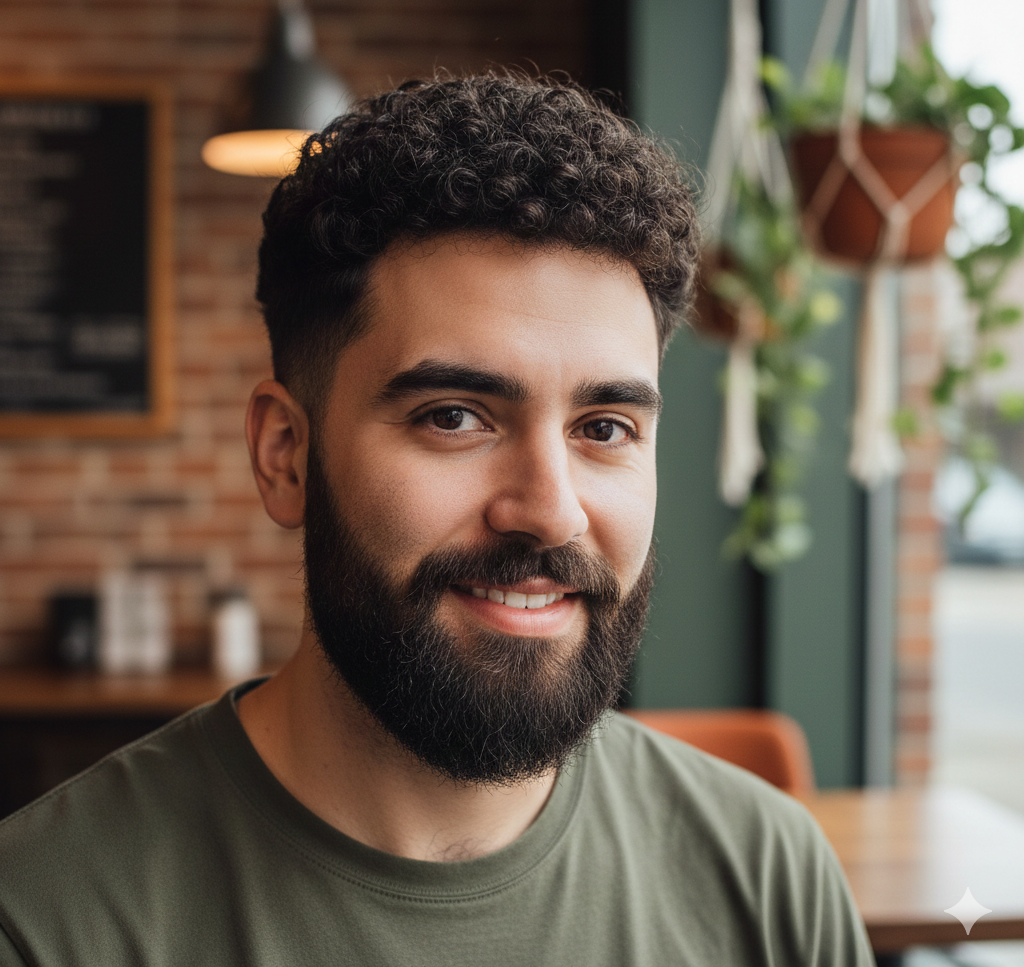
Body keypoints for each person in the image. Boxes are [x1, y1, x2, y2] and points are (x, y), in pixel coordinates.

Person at [0, 73, 873, 966]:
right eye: (453, 416)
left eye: (604, 429)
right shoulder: (44, 920)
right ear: (285, 456)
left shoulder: (770, 880)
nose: (549, 510)